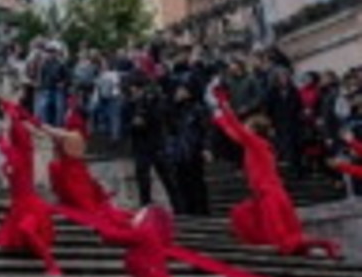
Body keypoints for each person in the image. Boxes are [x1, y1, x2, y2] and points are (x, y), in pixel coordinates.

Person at [211, 91, 339, 258]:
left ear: (255, 130)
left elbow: (237, 130)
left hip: (269, 193)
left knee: (282, 237)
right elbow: (235, 133)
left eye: (248, 126)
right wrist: (219, 118)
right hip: (265, 193)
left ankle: (321, 246)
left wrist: (225, 108)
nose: (245, 128)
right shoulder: (257, 145)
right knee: (244, 216)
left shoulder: (257, 144)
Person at [0, 101, 60, 275]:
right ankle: (50, 264)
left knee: (26, 230)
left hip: (27, 204)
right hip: (22, 203)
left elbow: (12, 133)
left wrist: (11, 119)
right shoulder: (16, 153)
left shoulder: (19, 154)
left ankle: (51, 265)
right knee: (24, 231)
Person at [124, 73, 181, 209]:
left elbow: (162, 117)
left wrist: (146, 119)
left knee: (168, 178)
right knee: (143, 179)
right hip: (140, 145)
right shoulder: (129, 104)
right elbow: (124, 124)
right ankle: (146, 207)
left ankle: (179, 207)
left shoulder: (154, 100)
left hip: (156, 143)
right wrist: (133, 124)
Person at [167, 80, 210, 216]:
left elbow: (206, 130)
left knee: (196, 182)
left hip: (193, 150)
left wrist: (206, 147)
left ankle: (201, 211)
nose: (178, 93)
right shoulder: (174, 110)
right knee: (182, 182)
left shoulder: (198, 109)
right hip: (179, 152)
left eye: (181, 90)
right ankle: (187, 209)